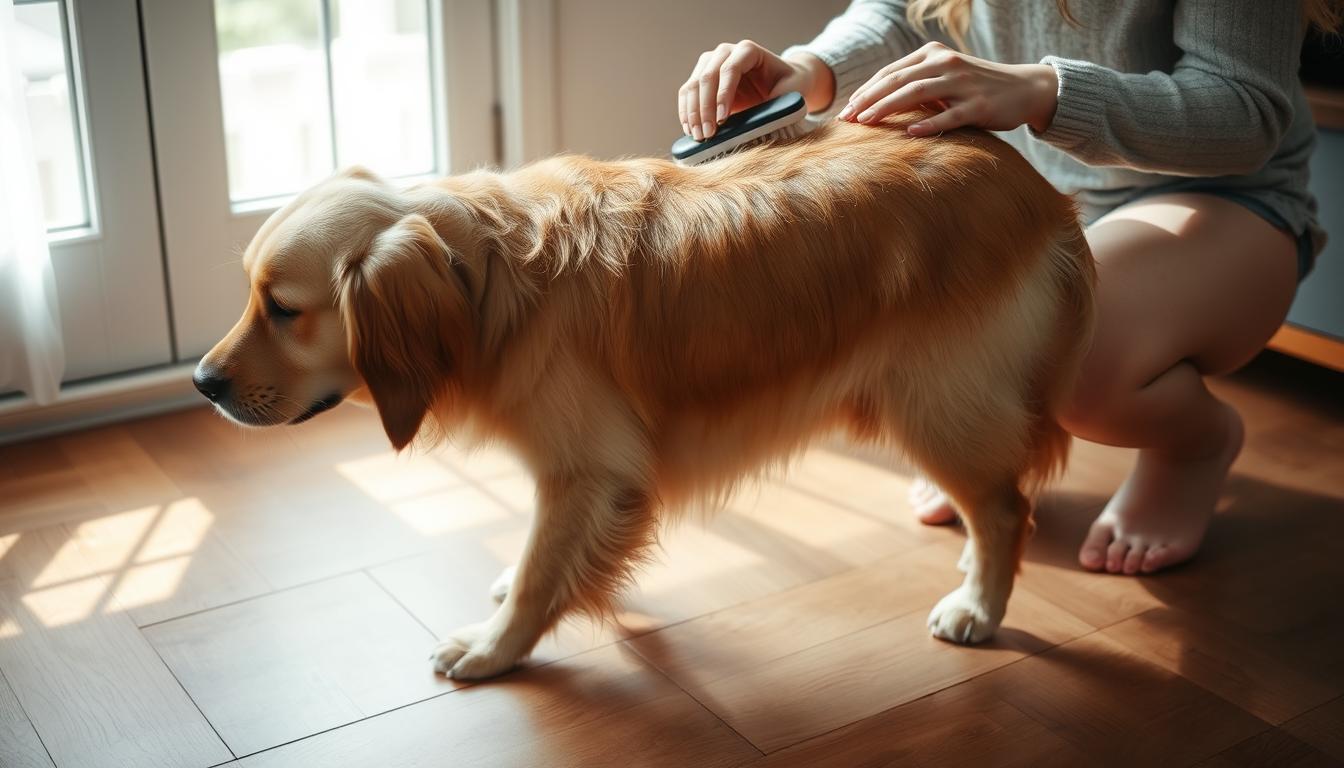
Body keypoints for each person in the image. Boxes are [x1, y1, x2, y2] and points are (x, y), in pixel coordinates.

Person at [678, 0, 1335, 575]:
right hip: (1051, 197)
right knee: (922, 306)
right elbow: (899, 12)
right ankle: (1002, 441)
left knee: (1073, 345)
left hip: (1226, 202)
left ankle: (1195, 444)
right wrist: (809, 71)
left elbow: (1245, 110)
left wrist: (1047, 91)